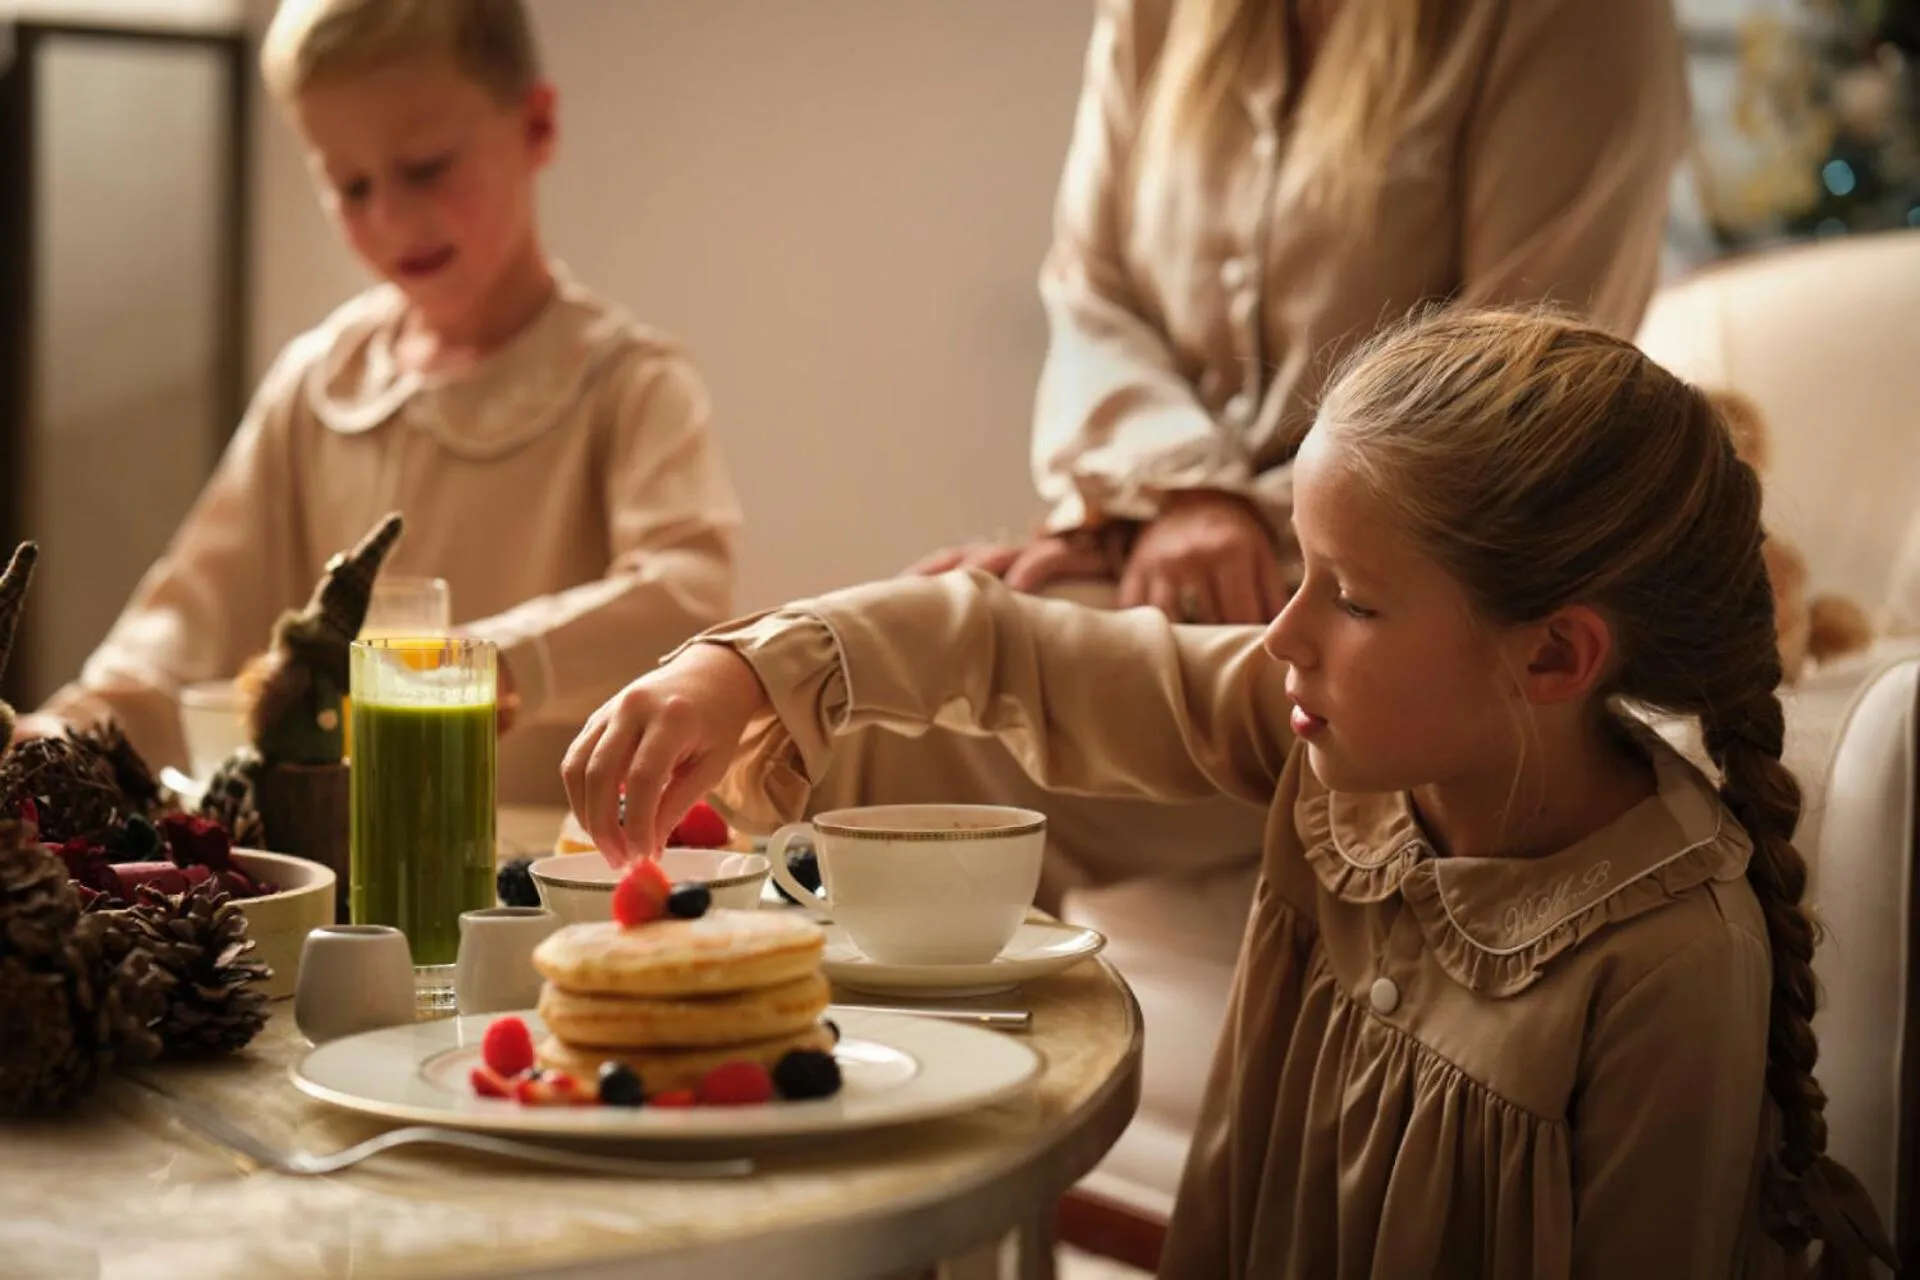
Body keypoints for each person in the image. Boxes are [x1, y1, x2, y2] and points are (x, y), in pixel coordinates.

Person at [563, 308, 1895, 1276]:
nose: (1285, 636)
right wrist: (746, 669)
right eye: (1297, 571)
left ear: (1553, 654)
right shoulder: (1330, 748)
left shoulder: (1670, 957)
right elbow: (1008, 649)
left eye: (1352, 599)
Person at [820, 0, 1693, 903]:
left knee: (901, 728)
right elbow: (1092, 292)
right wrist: (1161, 501)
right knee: (897, 671)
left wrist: (1219, 521)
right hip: (1156, 544)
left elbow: (1525, 387)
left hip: (1395, 619)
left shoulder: (1573, 21)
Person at [17, 0, 739, 805]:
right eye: (349, 185)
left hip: (560, 891)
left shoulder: (627, 382)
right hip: (343, 890)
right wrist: (62, 736)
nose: (390, 216)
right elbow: (186, 621)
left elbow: (687, 591)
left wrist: (487, 660)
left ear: (535, 126)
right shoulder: (316, 386)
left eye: (426, 167)